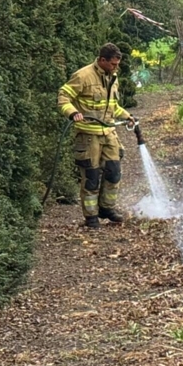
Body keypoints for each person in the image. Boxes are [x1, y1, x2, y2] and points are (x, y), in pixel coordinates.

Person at [57, 43, 135, 228]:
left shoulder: (112, 77)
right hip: (88, 135)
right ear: (102, 60)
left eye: (117, 64)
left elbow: (112, 106)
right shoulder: (83, 76)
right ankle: (91, 217)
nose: (116, 68)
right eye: (113, 64)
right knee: (91, 176)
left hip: (109, 133)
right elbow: (63, 97)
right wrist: (72, 112)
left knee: (114, 173)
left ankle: (106, 208)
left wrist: (127, 116)